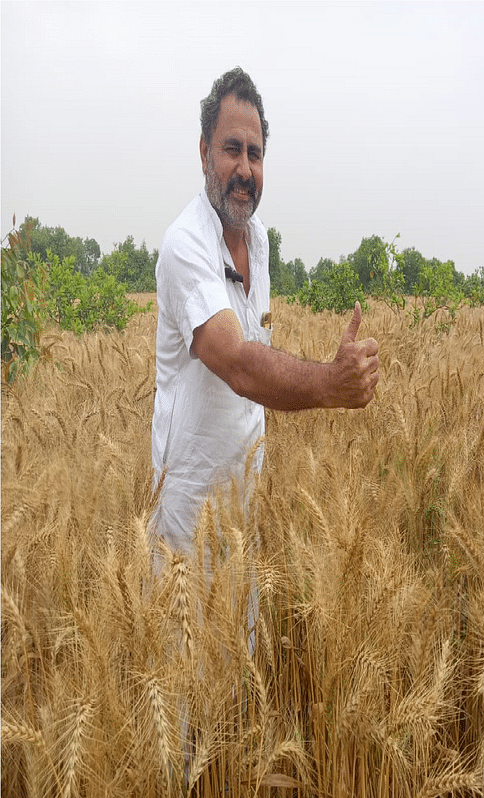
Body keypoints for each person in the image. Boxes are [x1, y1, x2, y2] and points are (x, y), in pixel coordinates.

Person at [151, 67, 379, 554]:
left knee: (241, 632)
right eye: (232, 149)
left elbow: (258, 351)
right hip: (187, 519)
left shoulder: (258, 242)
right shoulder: (184, 244)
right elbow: (234, 359)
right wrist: (329, 384)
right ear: (204, 152)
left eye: (255, 154)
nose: (245, 169)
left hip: (242, 509)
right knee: (186, 631)